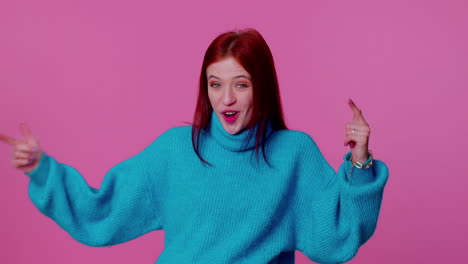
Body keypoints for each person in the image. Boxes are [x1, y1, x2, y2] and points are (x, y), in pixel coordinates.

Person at [0, 28, 389, 264]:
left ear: (262, 87)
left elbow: (339, 237)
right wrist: (43, 170)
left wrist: (360, 160)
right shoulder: (176, 150)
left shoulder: (293, 154)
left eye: (241, 83)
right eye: (215, 84)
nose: (226, 100)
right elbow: (103, 209)